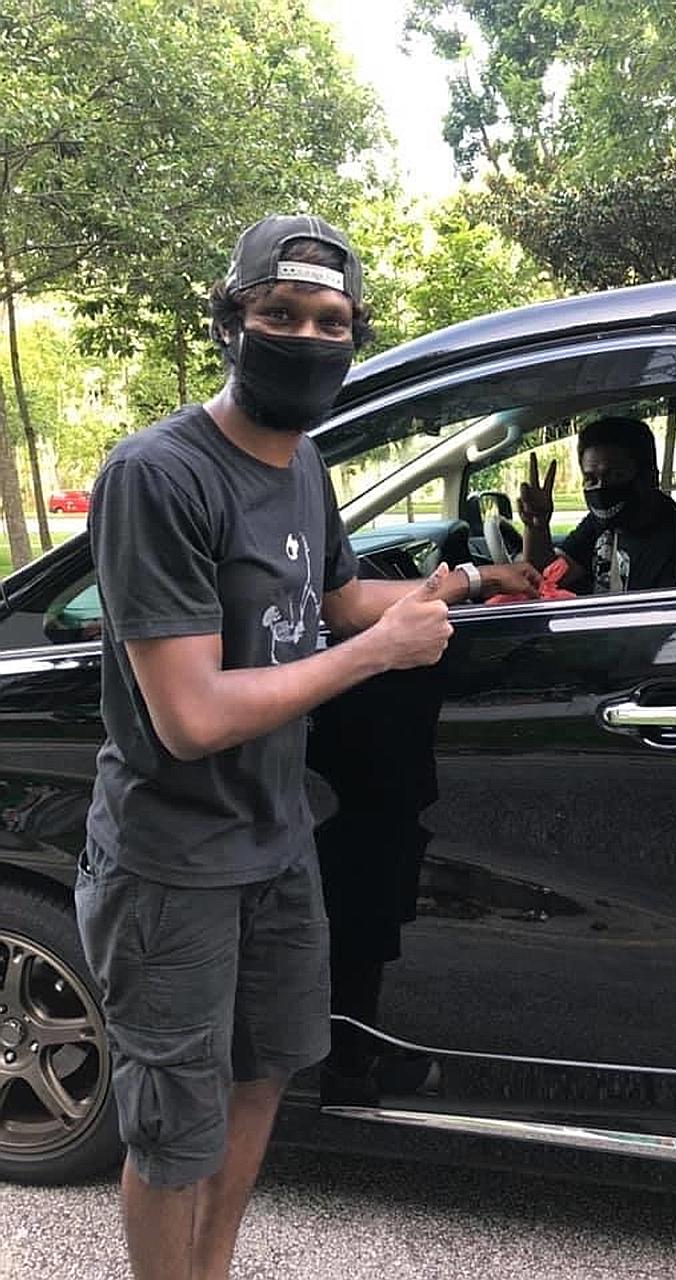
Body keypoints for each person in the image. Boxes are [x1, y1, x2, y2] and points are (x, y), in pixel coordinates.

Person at [74, 212, 540, 1280]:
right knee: (171, 1127)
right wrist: (380, 652)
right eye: (279, 313)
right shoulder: (157, 474)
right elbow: (189, 713)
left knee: (262, 1076)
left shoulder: (305, 465)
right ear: (231, 324)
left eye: (331, 320)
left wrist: (466, 584)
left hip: (277, 840)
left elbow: (331, 599)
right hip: (172, 859)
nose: (306, 336)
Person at [517, 415, 676, 594]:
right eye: (591, 479)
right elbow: (546, 575)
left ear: (648, 477)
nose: (602, 488)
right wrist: (537, 527)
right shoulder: (601, 523)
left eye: (616, 476)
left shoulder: (675, 540)